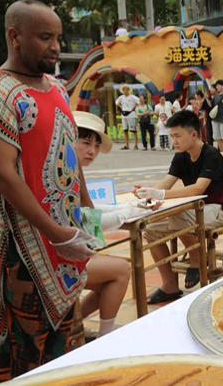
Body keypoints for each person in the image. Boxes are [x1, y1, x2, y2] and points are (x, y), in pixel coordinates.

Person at [0, 0, 98, 381]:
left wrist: (88, 215)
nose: (56, 47)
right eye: (45, 37)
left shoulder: (55, 87)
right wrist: (56, 233)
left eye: (58, 37)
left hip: (64, 249)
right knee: (30, 364)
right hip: (20, 256)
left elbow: (68, 153)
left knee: (66, 355)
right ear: (15, 36)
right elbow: (3, 175)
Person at [134, 111, 223, 302]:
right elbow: (166, 183)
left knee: (179, 212)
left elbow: (198, 188)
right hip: (193, 212)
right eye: (172, 136)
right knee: (150, 228)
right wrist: (147, 193)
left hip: (220, 211)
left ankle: (197, 260)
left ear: (194, 134)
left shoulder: (211, 154)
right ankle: (170, 286)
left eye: (177, 136)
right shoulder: (181, 156)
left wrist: (160, 195)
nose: (174, 140)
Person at [72, 111, 131, 337]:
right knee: (122, 270)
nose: (92, 151)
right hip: (56, 260)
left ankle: (73, 324)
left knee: (109, 278)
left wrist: (128, 211)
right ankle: (105, 336)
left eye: (96, 146)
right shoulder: (65, 171)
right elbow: (87, 218)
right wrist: (126, 214)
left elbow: (89, 212)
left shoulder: (74, 169)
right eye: (86, 143)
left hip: (68, 253)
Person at [115, 85, 139, 150]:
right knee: (125, 130)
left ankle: (136, 144)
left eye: (126, 89)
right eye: (124, 89)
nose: (125, 90)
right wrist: (121, 107)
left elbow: (138, 102)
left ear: (129, 90)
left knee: (133, 130)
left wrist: (133, 108)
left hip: (131, 114)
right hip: (124, 114)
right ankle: (127, 145)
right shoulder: (121, 97)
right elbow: (117, 103)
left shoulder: (133, 97)